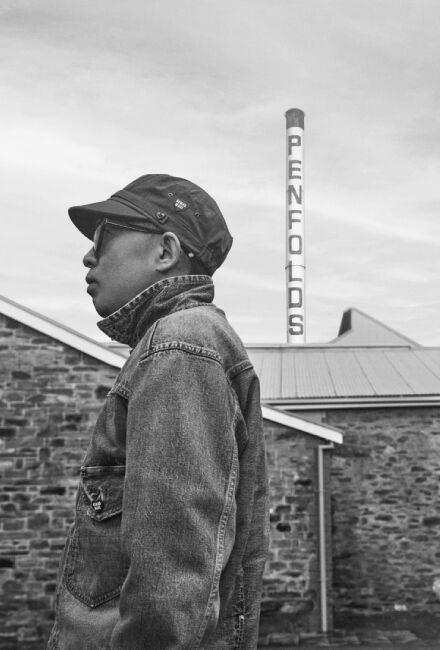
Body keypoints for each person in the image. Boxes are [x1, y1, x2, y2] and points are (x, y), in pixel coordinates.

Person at [48, 174, 269, 650]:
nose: (88, 256)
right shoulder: (178, 342)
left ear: (165, 252)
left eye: (103, 239)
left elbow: (170, 580)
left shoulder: (179, 345)